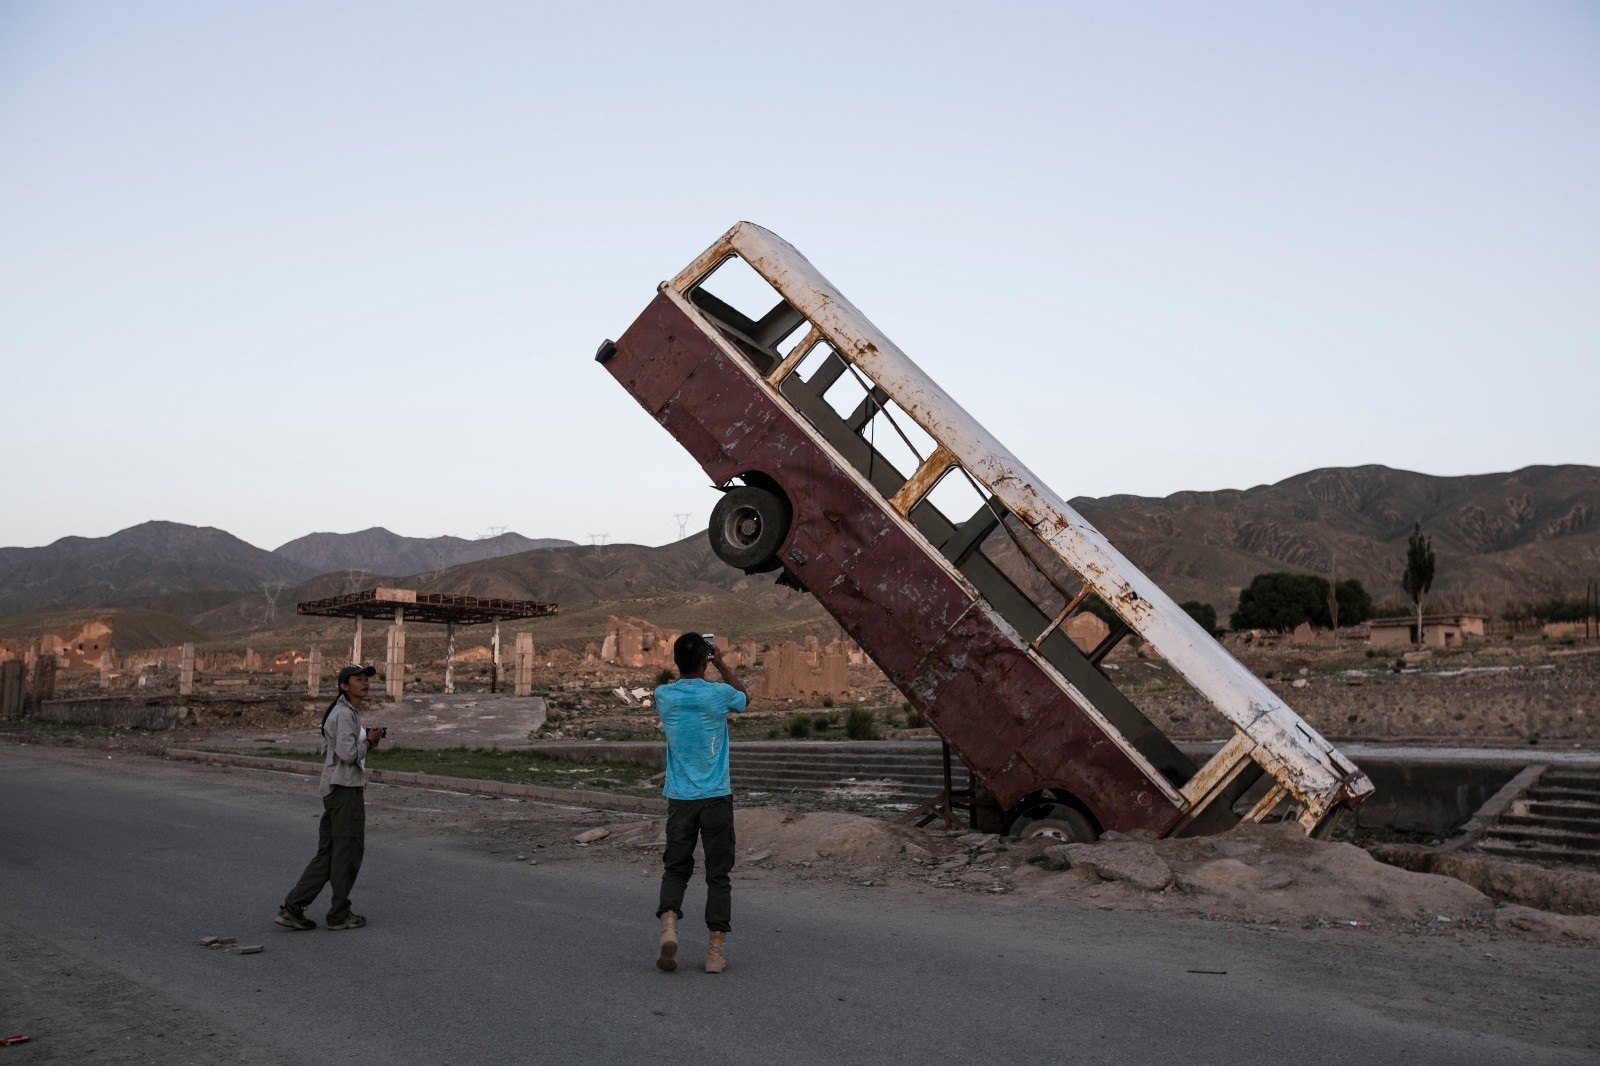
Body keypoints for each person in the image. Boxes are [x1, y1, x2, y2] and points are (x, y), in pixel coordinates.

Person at [653, 631, 747, 974]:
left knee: (676, 869)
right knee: (718, 875)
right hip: (716, 799)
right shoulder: (719, 695)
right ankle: (715, 952)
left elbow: (672, 685)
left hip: (680, 799)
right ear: (704, 660)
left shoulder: (664, 696)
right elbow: (743, 698)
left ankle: (669, 926)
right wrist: (721, 663)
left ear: (676, 661)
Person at [275, 664, 384, 931]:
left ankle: (293, 907)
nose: (364, 683)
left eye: (366, 679)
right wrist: (369, 742)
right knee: (347, 852)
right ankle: (339, 914)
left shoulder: (343, 713)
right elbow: (347, 754)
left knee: (329, 854)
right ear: (344, 686)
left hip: (336, 790)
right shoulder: (343, 714)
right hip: (345, 792)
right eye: (358, 679)